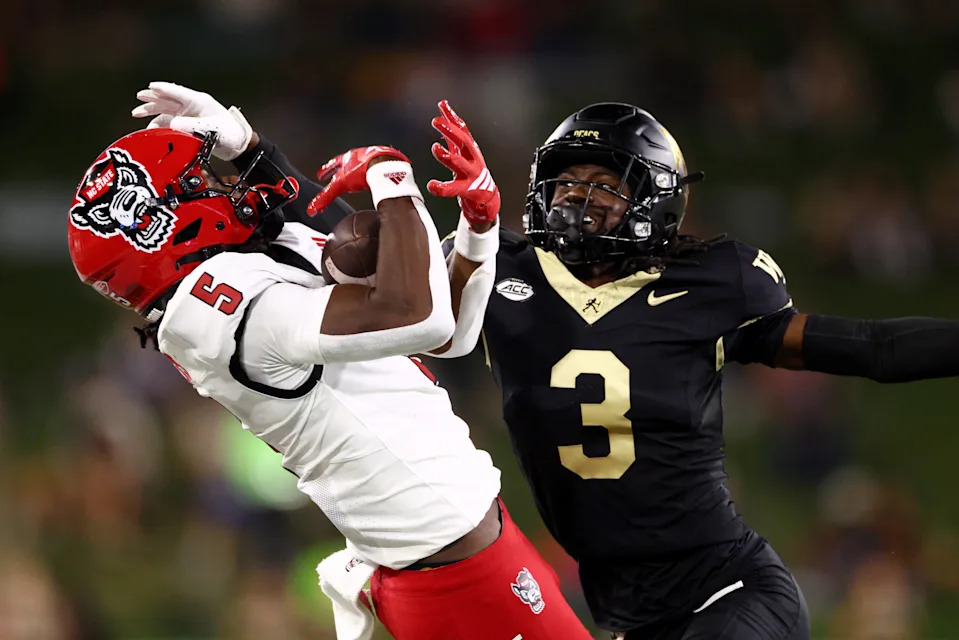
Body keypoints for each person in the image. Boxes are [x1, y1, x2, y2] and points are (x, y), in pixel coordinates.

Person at [67, 82, 595, 640]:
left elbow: (450, 332)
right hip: (452, 573)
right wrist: (394, 178)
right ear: (157, 224)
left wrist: (478, 228)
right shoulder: (215, 309)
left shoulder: (247, 260)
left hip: (462, 547)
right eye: (195, 185)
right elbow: (420, 315)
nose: (220, 186)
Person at [421, 100, 959, 640]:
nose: (577, 194)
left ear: (654, 199)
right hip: (628, 617)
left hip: (728, 590)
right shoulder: (499, 264)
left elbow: (871, 347)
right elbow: (431, 330)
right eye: (565, 179)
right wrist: (470, 227)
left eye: (604, 180)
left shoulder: (708, 281)